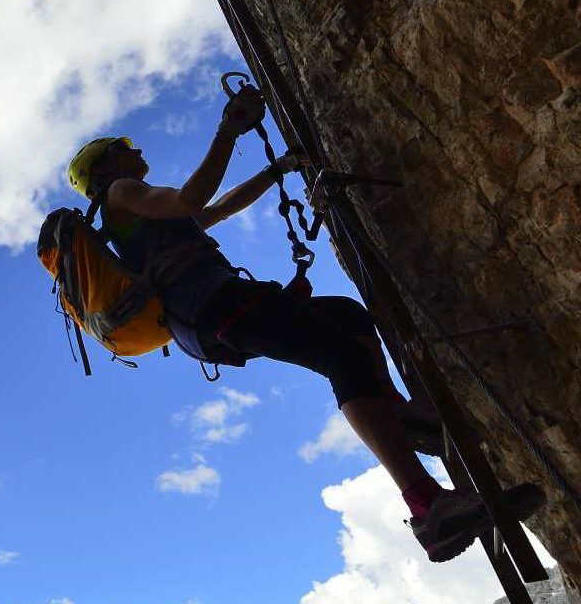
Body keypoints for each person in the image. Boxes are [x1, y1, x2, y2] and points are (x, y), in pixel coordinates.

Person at [64, 88, 525, 563]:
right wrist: (229, 128)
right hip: (216, 308)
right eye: (123, 148)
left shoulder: (138, 219)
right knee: (340, 354)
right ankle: (428, 506)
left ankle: (397, 414)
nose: (136, 151)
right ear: (105, 169)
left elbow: (213, 209)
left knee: (346, 315)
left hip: (210, 319)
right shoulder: (121, 194)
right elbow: (189, 198)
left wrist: (275, 171)